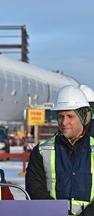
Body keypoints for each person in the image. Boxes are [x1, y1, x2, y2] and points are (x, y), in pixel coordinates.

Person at [25, 85, 94, 215]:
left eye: (70, 116)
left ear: (83, 117)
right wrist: (58, 212)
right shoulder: (41, 151)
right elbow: (35, 189)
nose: (64, 122)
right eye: (60, 116)